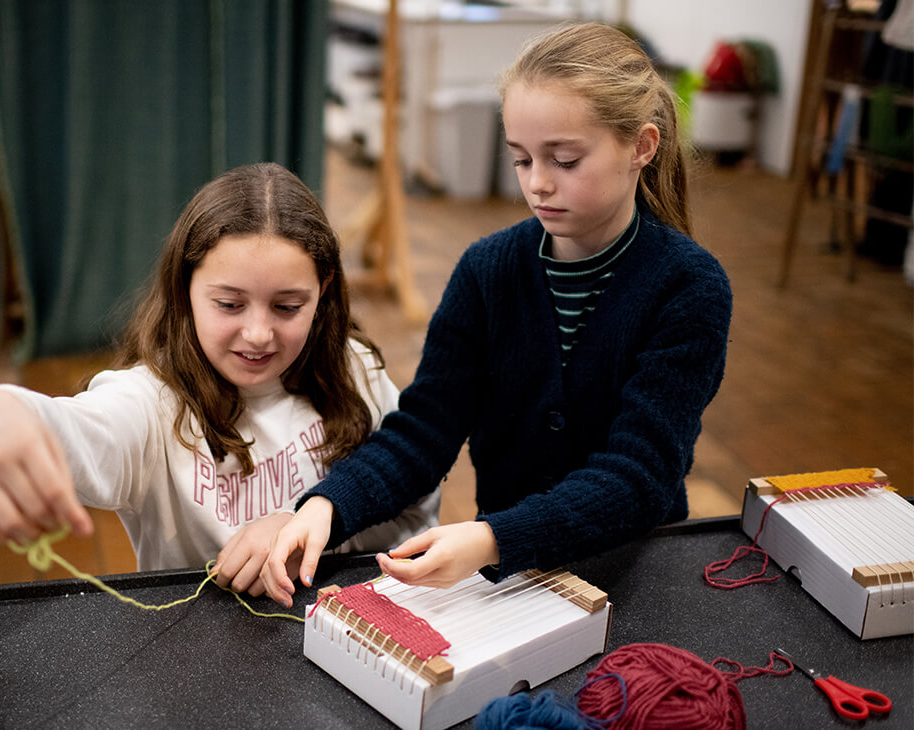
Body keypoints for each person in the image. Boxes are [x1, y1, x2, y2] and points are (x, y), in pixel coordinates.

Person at [261, 22, 734, 607]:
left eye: (564, 159)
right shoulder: (488, 272)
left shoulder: (690, 287)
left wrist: (492, 538)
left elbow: (638, 479)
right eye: (521, 159)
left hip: (634, 575)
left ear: (641, 146)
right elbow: (424, 430)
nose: (537, 183)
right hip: (511, 583)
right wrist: (328, 506)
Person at [0, 162, 439, 595]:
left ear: (324, 288)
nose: (258, 333)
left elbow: (414, 486)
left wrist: (311, 523)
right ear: (185, 288)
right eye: (228, 304)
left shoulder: (355, 368)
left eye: (288, 307)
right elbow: (81, 428)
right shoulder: (152, 403)